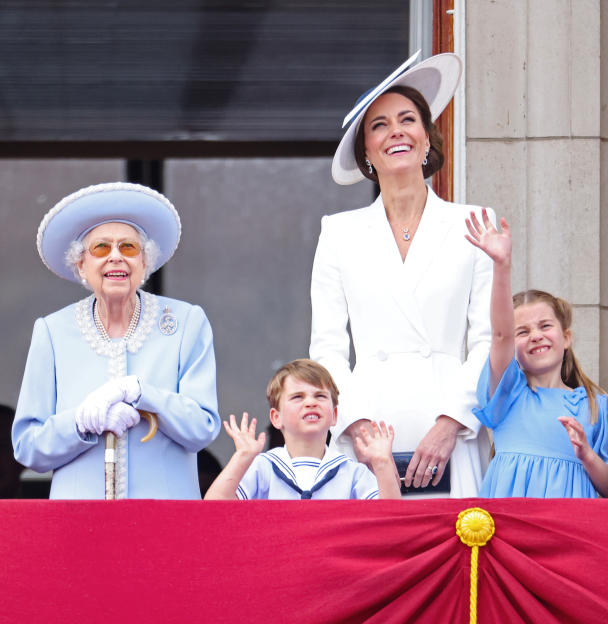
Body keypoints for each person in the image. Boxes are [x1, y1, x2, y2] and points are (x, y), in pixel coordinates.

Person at [311, 52, 493, 497]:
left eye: (407, 119)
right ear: (367, 154)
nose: (395, 131)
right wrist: (356, 425)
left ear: (426, 138)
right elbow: (328, 345)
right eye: (379, 125)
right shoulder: (339, 232)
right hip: (370, 430)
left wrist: (453, 421)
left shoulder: (476, 222)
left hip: (452, 428)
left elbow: (488, 339)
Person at [13, 182, 220, 499]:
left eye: (128, 248)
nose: (115, 258)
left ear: (145, 263)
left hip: (165, 517)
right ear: (81, 265)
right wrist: (81, 423)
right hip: (78, 521)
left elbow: (201, 428)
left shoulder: (185, 323)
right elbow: (28, 448)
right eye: (100, 248)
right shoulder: (52, 331)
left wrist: (141, 393)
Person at [464, 212, 608, 498]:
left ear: (566, 338)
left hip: (571, 528)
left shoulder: (596, 406)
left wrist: (587, 456)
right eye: (522, 332)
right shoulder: (509, 395)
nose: (535, 335)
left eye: (545, 326)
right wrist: (502, 265)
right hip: (512, 528)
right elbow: (500, 334)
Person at [204, 359, 400, 500]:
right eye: (297, 397)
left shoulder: (352, 472)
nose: (310, 402)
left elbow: (389, 521)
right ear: (276, 417)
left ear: (334, 416)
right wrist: (243, 456)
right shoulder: (263, 467)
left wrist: (382, 464)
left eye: (320, 396)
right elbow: (213, 507)